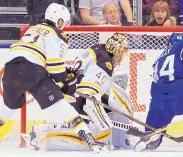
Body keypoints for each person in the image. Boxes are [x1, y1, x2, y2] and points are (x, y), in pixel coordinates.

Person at [0, 3, 108, 153]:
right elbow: (55, 69)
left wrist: (63, 76)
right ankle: (91, 140)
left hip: (10, 69)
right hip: (31, 70)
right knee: (61, 106)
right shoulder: (56, 33)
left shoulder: (32, 28)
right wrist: (66, 80)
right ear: (59, 21)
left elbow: (42, 61)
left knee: (9, 107)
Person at [20, 33, 137, 151]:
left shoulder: (98, 48)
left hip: (67, 91)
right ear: (114, 48)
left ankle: (38, 133)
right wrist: (106, 128)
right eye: (121, 51)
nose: (122, 55)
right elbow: (90, 99)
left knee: (80, 131)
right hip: (76, 98)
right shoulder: (106, 64)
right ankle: (40, 136)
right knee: (88, 139)